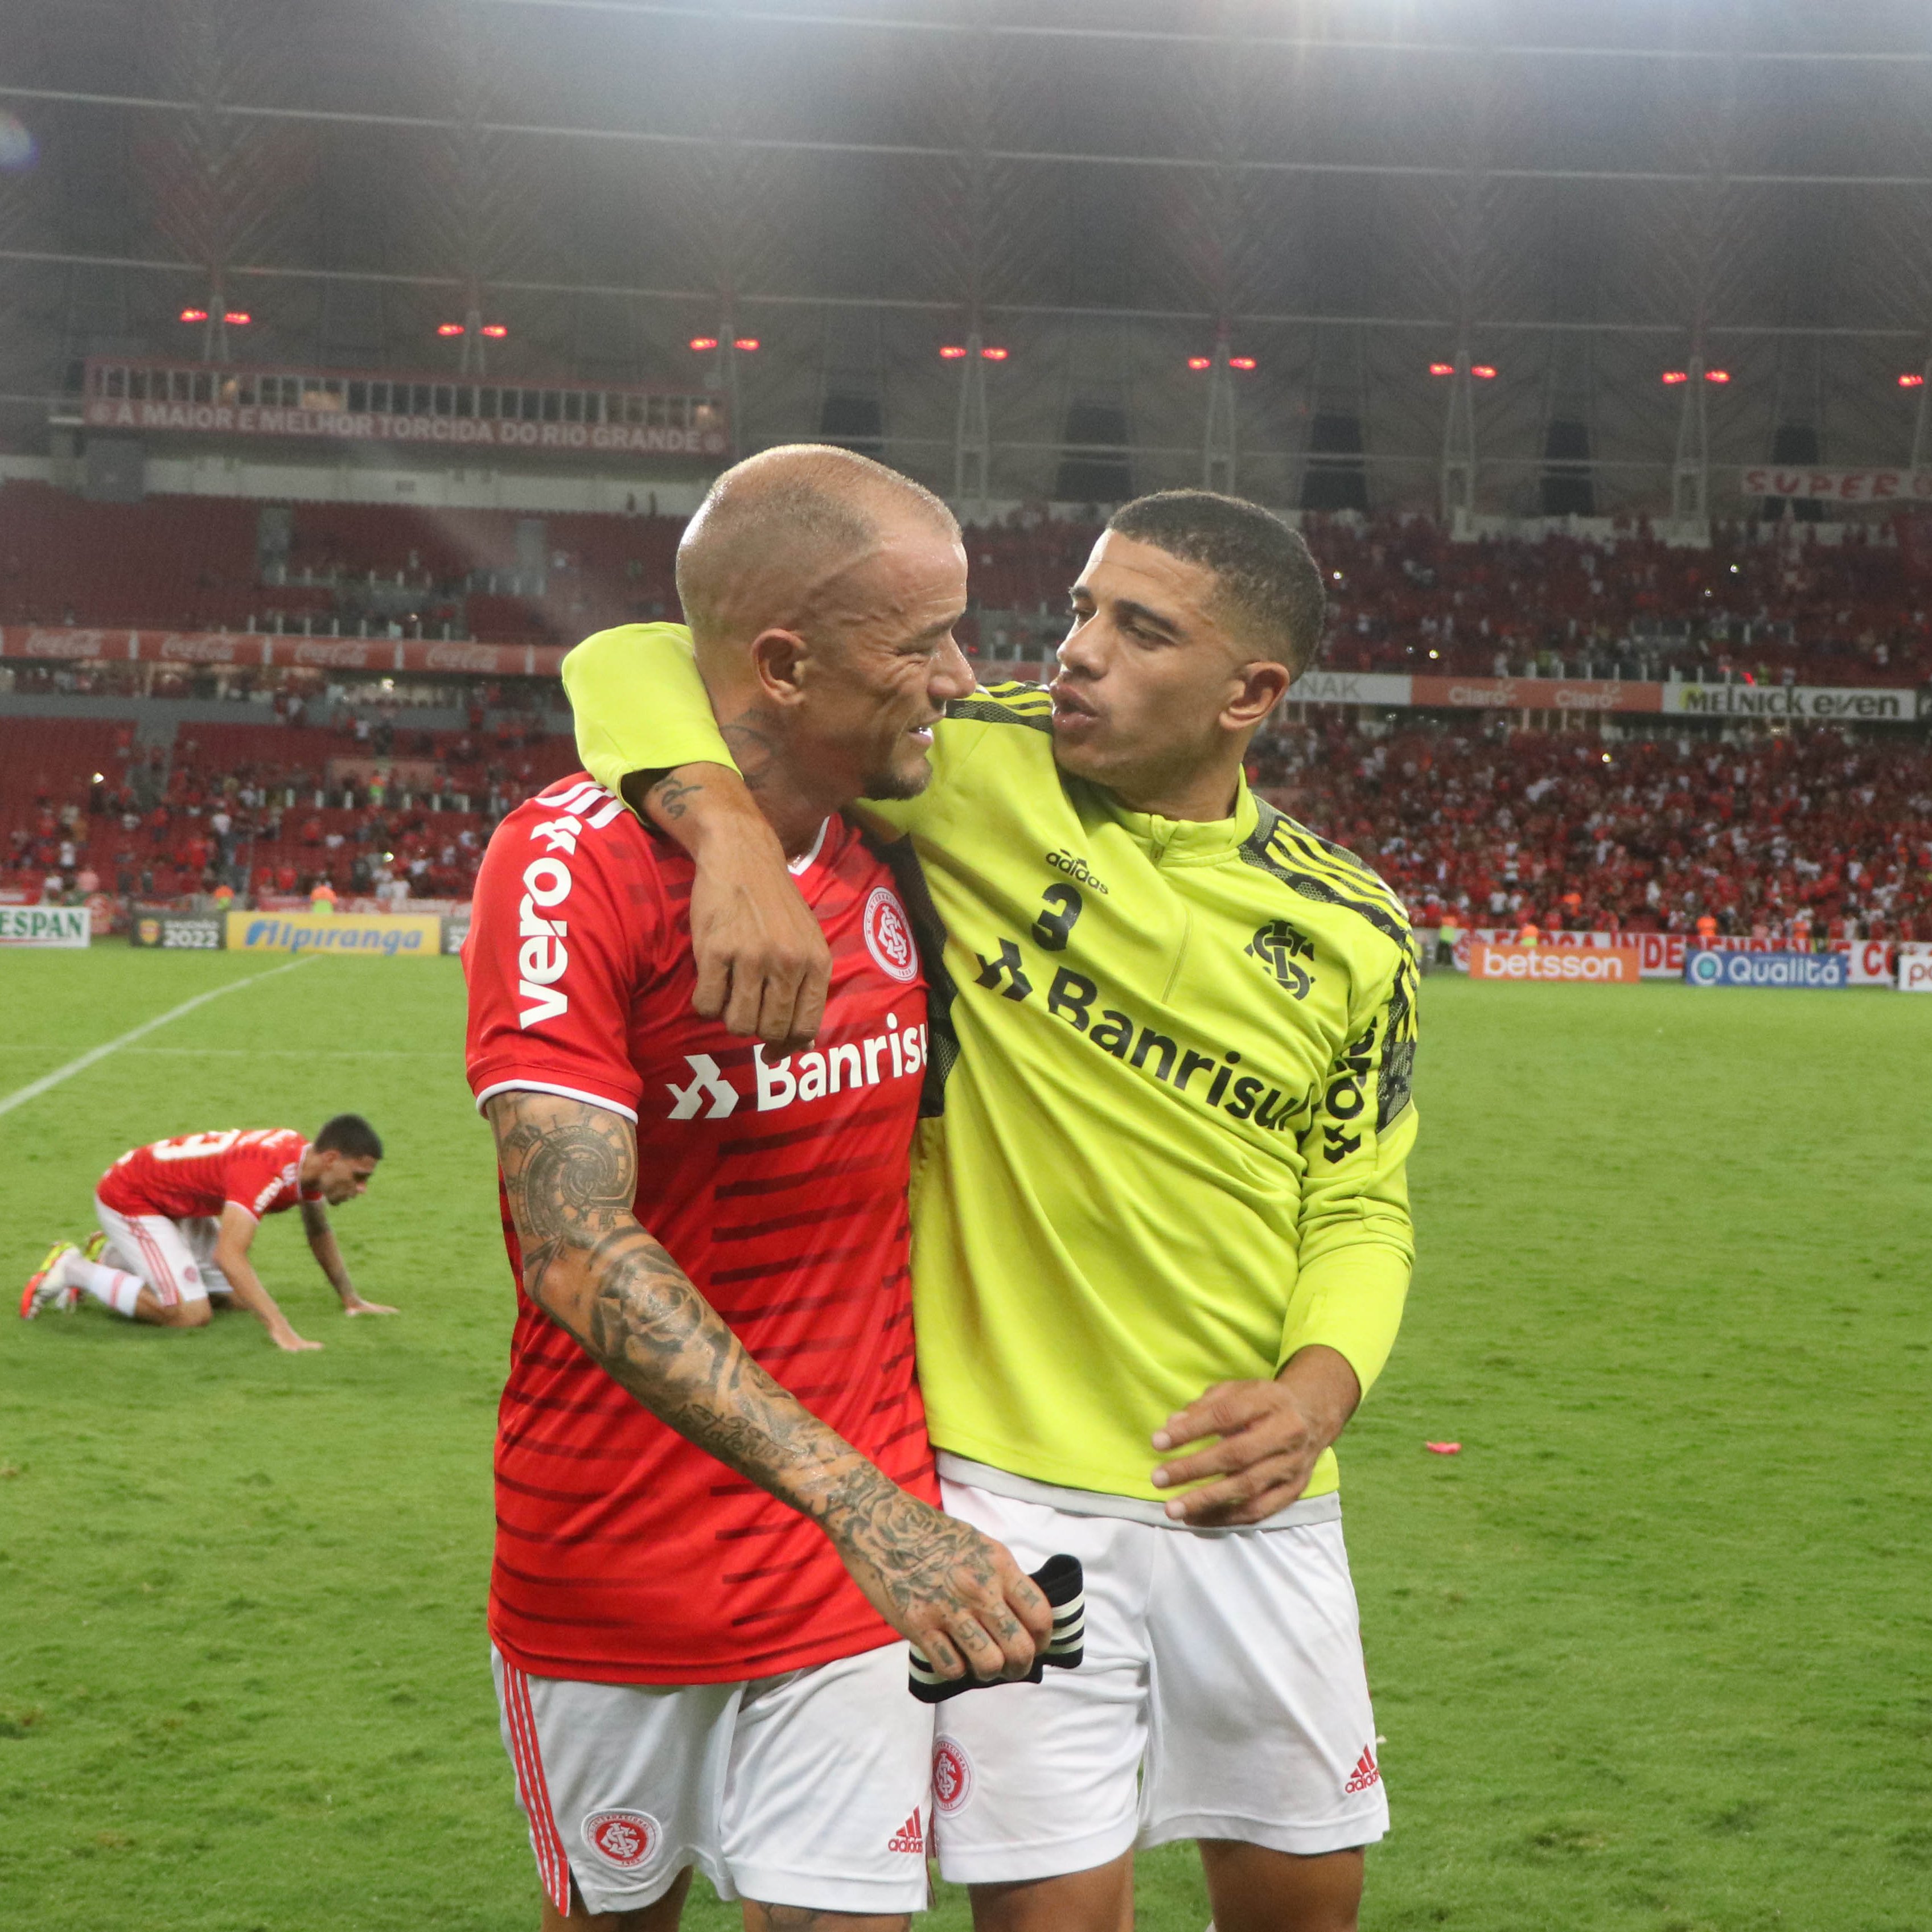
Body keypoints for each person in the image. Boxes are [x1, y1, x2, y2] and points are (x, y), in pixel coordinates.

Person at [564, 484, 1419, 1932]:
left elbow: (1357, 1203)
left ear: (1248, 693)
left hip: (1253, 1496)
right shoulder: (960, 767)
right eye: (1082, 605)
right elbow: (629, 656)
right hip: (1003, 1496)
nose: (1074, 648)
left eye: (1137, 629)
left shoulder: (1351, 923)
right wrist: (722, 833)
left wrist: (1317, 1392)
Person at [466, 447, 1051, 1931]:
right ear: (784, 665)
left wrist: (873, 1524)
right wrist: (719, 823)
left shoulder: (919, 818)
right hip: (612, 1567)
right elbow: (578, 1244)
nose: (963, 681)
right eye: (923, 645)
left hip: (857, 1590)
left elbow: (637, 651)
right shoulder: (564, 863)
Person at [20, 1115, 392, 1353]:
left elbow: (318, 1231)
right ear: (331, 1160)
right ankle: (73, 1269)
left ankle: (114, 1256)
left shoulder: (304, 1163)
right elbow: (229, 1256)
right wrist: (282, 1330)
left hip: (177, 1203)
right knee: (189, 1314)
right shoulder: (266, 1172)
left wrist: (351, 1299)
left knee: (236, 1300)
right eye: (359, 1177)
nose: (362, 1188)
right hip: (132, 1198)